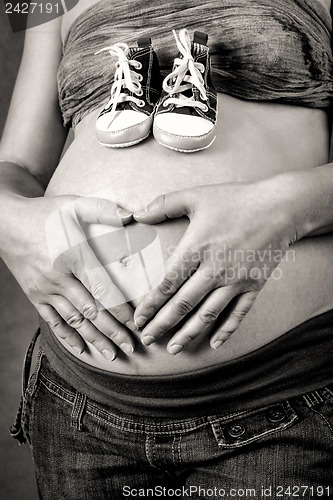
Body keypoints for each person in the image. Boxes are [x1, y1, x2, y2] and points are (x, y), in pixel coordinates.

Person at [1, 0, 333, 498]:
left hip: (280, 397)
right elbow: (16, 166)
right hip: (79, 409)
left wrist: (285, 209)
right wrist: (11, 223)